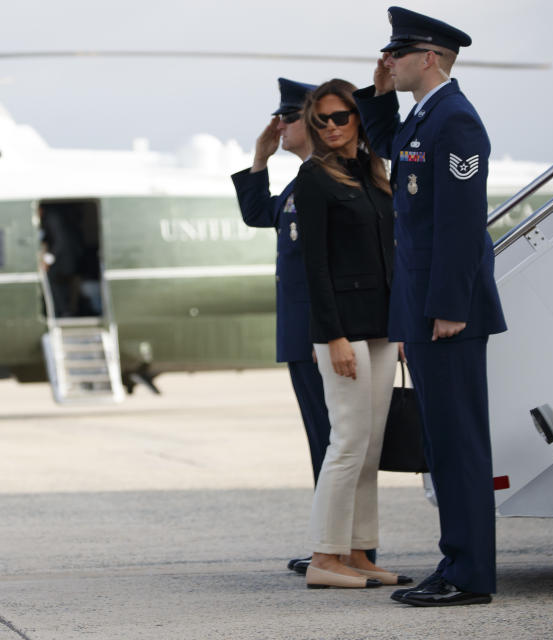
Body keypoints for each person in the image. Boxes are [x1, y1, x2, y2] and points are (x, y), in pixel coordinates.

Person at [353, 7, 506, 607]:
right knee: (441, 444)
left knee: (459, 443)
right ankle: (456, 563)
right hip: (422, 307)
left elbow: (462, 225)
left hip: (447, 311)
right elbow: (389, 144)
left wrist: (448, 306)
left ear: (432, 57)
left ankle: (468, 576)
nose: (389, 59)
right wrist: (376, 92)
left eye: (399, 52)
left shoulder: (457, 122)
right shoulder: (424, 117)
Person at [295, 79, 409, 589]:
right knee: (345, 442)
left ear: (358, 117)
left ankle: (359, 551)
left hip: (383, 325)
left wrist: (401, 323)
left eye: (341, 116)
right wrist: (333, 337)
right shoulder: (312, 178)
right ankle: (324, 556)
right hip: (341, 329)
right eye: (322, 120)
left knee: (371, 443)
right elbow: (314, 267)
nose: (332, 127)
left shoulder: (370, 171)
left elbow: (393, 252)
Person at [231, 78, 334, 575]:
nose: (279, 125)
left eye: (288, 118)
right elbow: (258, 214)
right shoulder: (301, 181)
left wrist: (325, 333)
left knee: (334, 444)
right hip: (302, 337)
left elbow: (329, 267)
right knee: (322, 443)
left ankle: (340, 549)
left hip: (318, 337)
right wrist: (261, 158)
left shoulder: (328, 179)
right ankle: (330, 545)